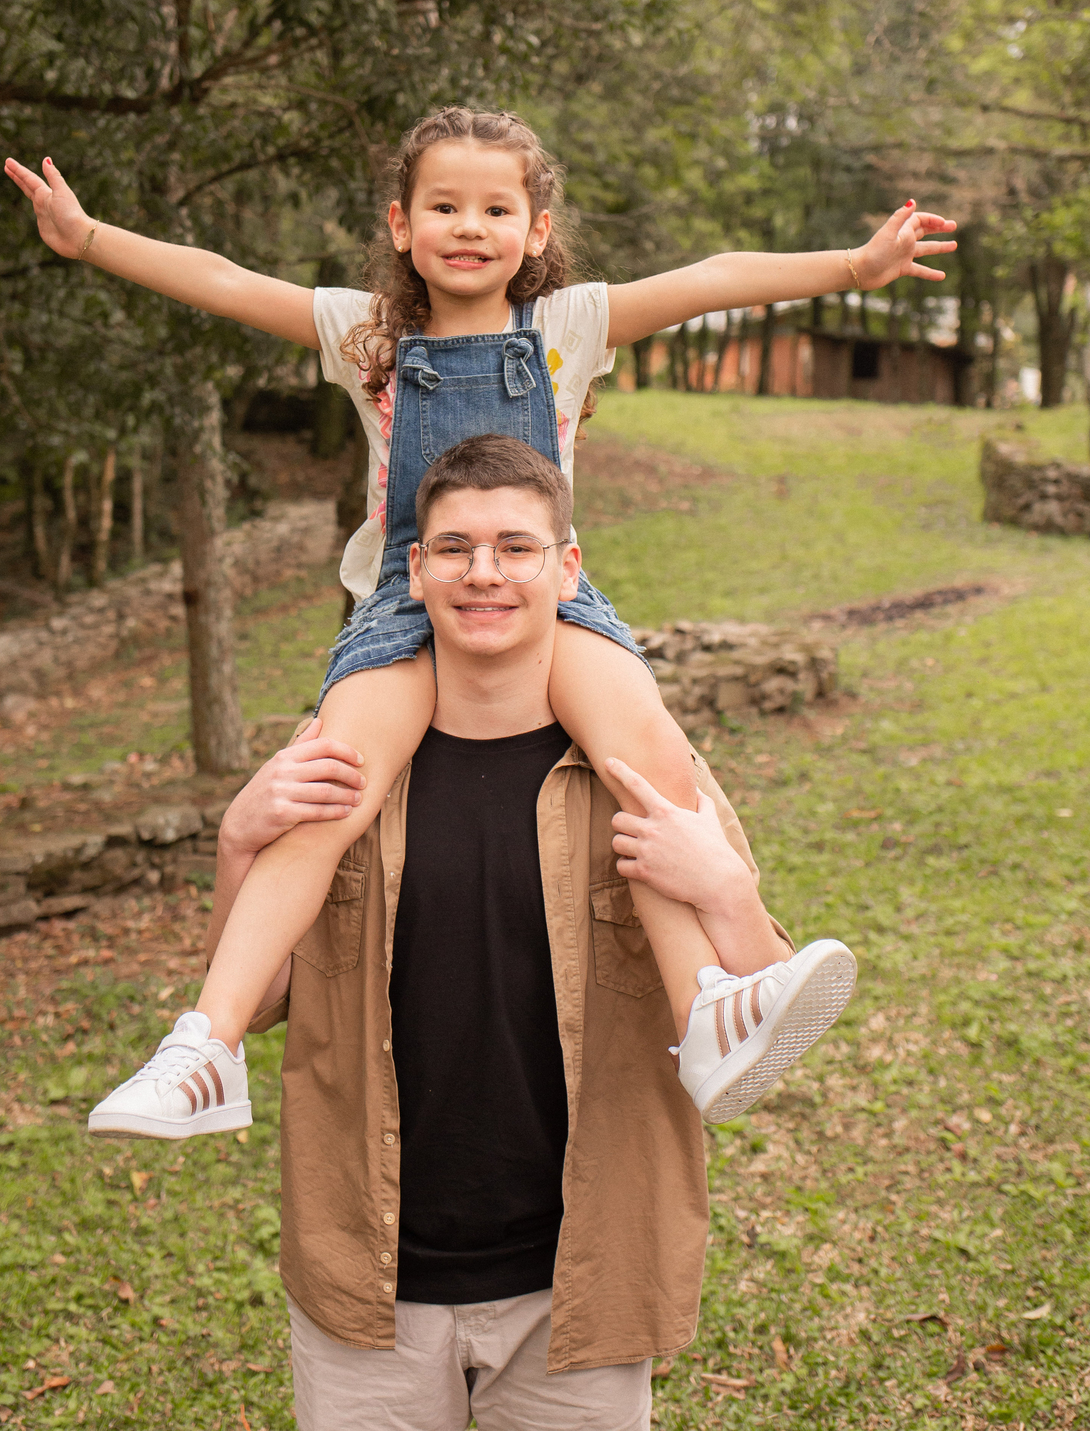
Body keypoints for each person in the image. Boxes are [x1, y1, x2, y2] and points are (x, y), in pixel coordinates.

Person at [5, 108, 954, 1132]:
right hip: (405, 604)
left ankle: (710, 1009)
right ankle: (207, 1046)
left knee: (651, 761)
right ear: (402, 225)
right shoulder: (368, 332)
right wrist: (90, 238)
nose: (470, 226)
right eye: (444, 205)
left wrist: (854, 268)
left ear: (536, 230)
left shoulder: (569, 327)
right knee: (331, 790)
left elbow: (713, 276)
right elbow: (228, 282)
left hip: (549, 600)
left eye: (497, 207)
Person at [134, 436, 834, 1429]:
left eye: (516, 547)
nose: (485, 574)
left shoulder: (636, 762)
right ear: (411, 570)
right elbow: (274, 996)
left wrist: (723, 889)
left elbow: (763, 1005)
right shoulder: (339, 764)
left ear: (568, 568)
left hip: (578, 1283)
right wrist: (237, 840)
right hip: (369, 1281)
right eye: (455, 548)